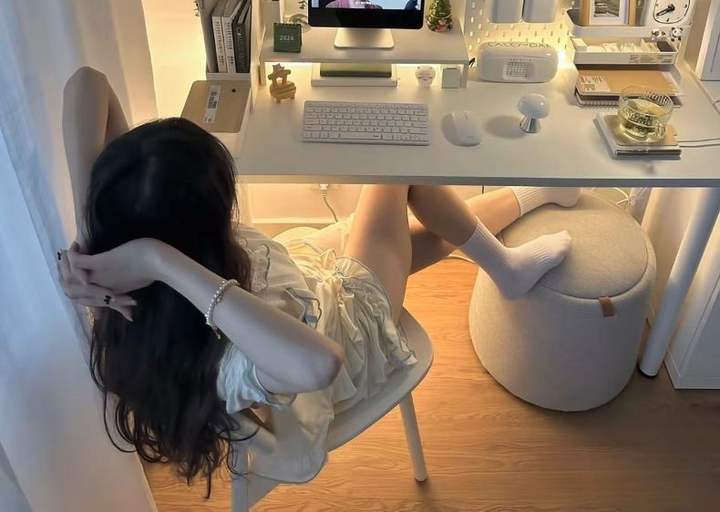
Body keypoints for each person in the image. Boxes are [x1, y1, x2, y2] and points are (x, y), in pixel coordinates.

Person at [58, 66, 577, 495]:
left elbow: (87, 83)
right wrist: (157, 259)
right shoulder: (223, 359)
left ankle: (528, 215)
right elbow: (320, 362)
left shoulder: (120, 287)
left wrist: (95, 239)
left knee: (417, 228)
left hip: (299, 280)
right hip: (342, 333)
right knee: (398, 169)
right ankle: (508, 260)